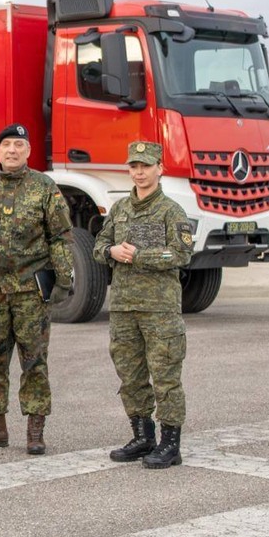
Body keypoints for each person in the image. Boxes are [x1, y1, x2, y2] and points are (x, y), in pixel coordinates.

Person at [0, 124, 74, 457]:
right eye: (6, 145)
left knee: (34, 362)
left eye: (19, 144)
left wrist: (63, 278)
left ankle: (35, 428)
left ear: (29, 151)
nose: (12, 150)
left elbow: (60, 236)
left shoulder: (44, 187)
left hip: (31, 291)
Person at [97, 140, 196, 470]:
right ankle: (142, 435)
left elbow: (181, 255)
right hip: (124, 308)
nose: (139, 172)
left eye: (145, 166)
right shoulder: (121, 209)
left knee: (166, 376)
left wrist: (140, 256)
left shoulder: (172, 211)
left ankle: (170, 443)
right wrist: (111, 252)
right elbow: (99, 244)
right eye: (133, 166)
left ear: (159, 168)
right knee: (130, 375)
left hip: (159, 309)